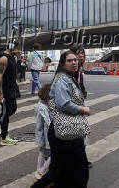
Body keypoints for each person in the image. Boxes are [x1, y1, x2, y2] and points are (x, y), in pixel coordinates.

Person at [32, 50, 91, 188]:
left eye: (75, 59)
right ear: (63, 64)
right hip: (65, 131)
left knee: (60, 170)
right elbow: (63, 103)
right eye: (70, 60)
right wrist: (83, 109)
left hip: (64, 130)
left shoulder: (70, 77)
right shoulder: (62, 79)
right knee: (79, 171)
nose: (74, 62)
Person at [0, 42, 21, 146]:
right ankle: (4, 137)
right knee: (5, 112)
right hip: (4, 91)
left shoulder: (13, 58)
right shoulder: (3, 59)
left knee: (13, 109)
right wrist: (0, 93)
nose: (19, 51)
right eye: (17, 49)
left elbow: (12, 75)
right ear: (11, 48)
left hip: (11, 89)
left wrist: (16, 88)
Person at [70, 44, 92, 169]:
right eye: (79, 53)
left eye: (83, 53)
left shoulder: (78, 69)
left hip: (79, 102)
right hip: (73, 105)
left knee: (81, 133)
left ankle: (80, 159)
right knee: (78, 134)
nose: (82, 55)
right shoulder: (70, 69)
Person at [34, 84, 51, 180]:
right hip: (46, 136)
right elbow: (43, 124)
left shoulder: (44, 105)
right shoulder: (42, 108)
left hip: (45, 135)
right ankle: (41, 170)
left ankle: (39, 171)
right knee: (55, 154)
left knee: (42, 152)